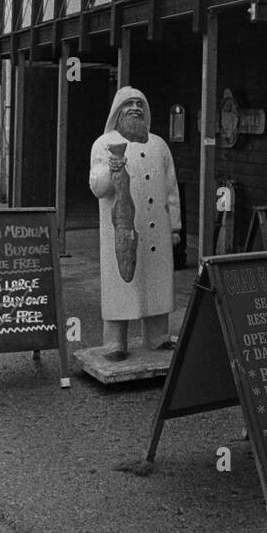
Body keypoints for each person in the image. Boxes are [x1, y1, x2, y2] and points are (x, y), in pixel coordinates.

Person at [89, 87, 181, 361]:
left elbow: (171, 187)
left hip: (157, 229)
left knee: (157, 280)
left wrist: (175, 226)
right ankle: (115, 343)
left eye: (140, 103)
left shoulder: (159, 145)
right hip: (122, 229)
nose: (135, 108)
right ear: (117, 111)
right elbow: (97, 186)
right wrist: (112, 168)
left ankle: (158, 337)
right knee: (122, 284)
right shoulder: (104, 143)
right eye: (128, 103)